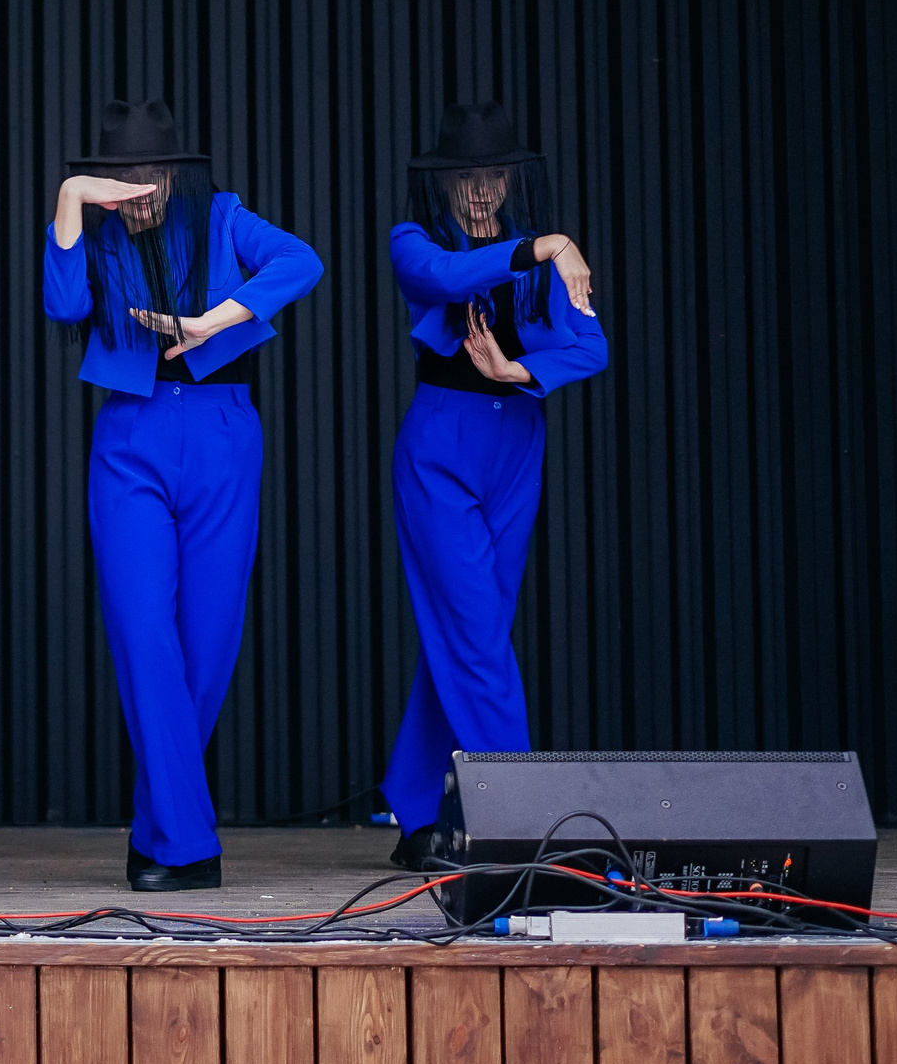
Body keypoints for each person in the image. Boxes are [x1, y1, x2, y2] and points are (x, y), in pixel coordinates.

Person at [43, 99, 323, 891]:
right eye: (121, 179)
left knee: (208, 641)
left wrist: (210, 321)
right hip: (129, 436)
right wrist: (69, 202)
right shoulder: (91, 233)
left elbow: (302, 262)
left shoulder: (225, 217)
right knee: (142, 633)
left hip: (222, 433)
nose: (140, 191)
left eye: (152, 175)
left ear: (177, 173)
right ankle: (187, 842)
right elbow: (63, 305)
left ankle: (160, 823)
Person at [380, 102, 607, 868]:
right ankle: (523, 822)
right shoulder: (414, 240)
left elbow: (593, 344)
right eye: (465, 178)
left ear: (511, 179)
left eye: (493, 177)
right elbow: (443, 276)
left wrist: (522, 370)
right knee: (475, 634)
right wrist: (549, 243)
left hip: (517, 446)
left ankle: (416, 805)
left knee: (469, 635)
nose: (480, 193)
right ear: (444, 183)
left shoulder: (546, 264)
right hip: (441, 445)